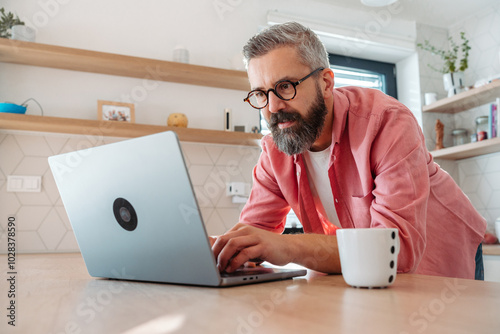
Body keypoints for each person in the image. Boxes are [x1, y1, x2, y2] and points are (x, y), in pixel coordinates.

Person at [211, 22, 486, 280]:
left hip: (440, 255)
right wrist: (217, 249)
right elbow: (252, 237)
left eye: (285, 86)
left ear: (326, 83)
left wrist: (289, 246)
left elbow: (395, 249)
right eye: (261, 93)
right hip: (370, 269)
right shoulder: (276, 149)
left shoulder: (388, 123)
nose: (272, 107)